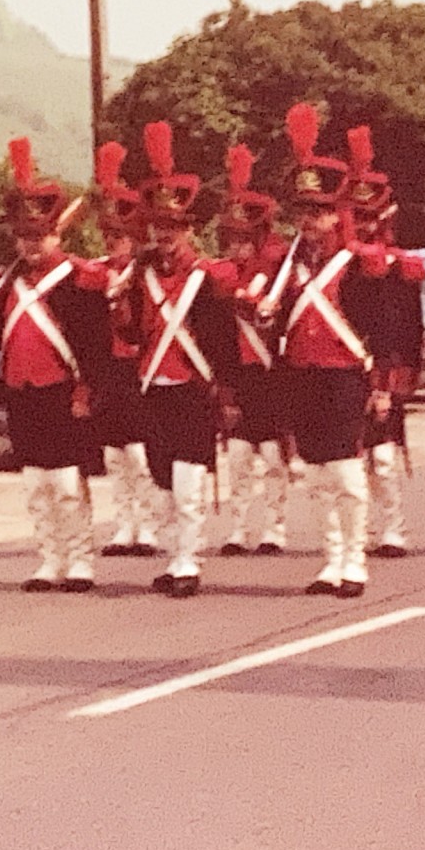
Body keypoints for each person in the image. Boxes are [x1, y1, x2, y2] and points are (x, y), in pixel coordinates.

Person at [0, 137, 112, 592]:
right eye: (23, 236)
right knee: (35, 486)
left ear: (56, 234)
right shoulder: (1, 284)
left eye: (38, 235)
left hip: (63, 393)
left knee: (68, 486)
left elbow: (95, 346)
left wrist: (87, 392)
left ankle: (80, 560)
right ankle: (49, 559)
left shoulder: (79, 281)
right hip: (20, 391)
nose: (30, 243)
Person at [273, 104, 391, 598]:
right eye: (304, 211)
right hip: (303, 375)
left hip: (344, 375)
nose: (311, 221)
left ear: (336, 212)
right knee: (318, 473)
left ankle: (354, 559)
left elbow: (379, 330)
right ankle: (330, 558)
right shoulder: (288, 266)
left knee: (344, 470)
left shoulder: (360, 265)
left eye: (320, 211)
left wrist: (383, 385)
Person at [120, 122, 241, 598]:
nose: (164, 235)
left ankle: (190, 561)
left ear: (188, 229)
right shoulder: (140, 274)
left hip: (193, 387)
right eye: (158, 227)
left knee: (190, 483)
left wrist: (227, 392)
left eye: (173, 228)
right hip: (153, 387)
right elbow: (131, 333)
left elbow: (223, 338)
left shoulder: (207, 277)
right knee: (162, 483)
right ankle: (173, 557)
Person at [345, 125, 425, 559]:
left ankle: (393, 528)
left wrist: (397, 377)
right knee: (351, 456)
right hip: (344, 364)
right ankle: (360, 529)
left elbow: (406, 326)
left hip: (384, 364)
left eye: (368, 217)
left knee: (384, 456)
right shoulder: (339, 264)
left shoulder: (399, 266)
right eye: (355, 217)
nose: (361, 225)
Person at [217, 143, 295, 557]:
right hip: (239, 375)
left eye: (245, 239)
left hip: (272, 374)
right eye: (232, 239)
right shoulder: (221, 277)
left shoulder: (278, 273)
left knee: (273, 455)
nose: (237, 247)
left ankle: (274, 529)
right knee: (238, 458)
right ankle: (238, 528)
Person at [89, 141, 163, 559]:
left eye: (121, 236)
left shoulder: (146, 272)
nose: (114, 242)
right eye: (110, 235)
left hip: (140, 367)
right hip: (108, 370)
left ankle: (149, 525)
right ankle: (124, 523)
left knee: (139, 453)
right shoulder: (98, 273)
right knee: (114, 454)